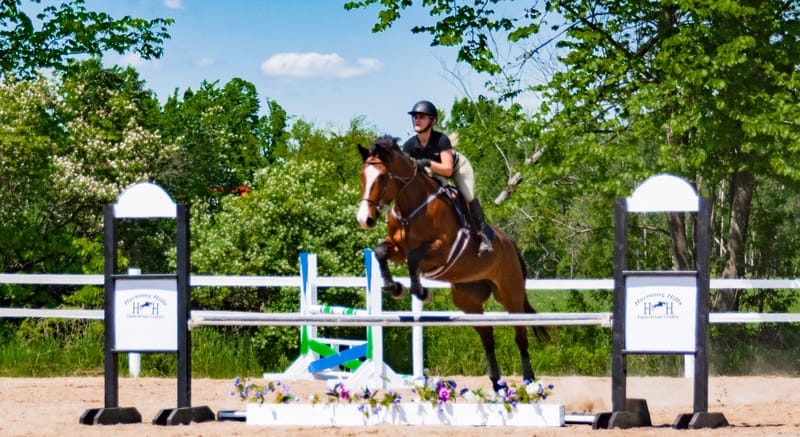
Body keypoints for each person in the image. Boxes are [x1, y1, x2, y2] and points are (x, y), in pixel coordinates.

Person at [402, 100, 495, 256]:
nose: (417, 120)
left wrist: (427, 162)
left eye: (421, 117)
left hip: (457, 168)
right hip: (433, 173)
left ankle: (484, 235)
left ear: (432, 121)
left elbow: (447, 170)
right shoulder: (409, 146)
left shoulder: (441, 140)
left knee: (467, 194)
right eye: (415, 117)